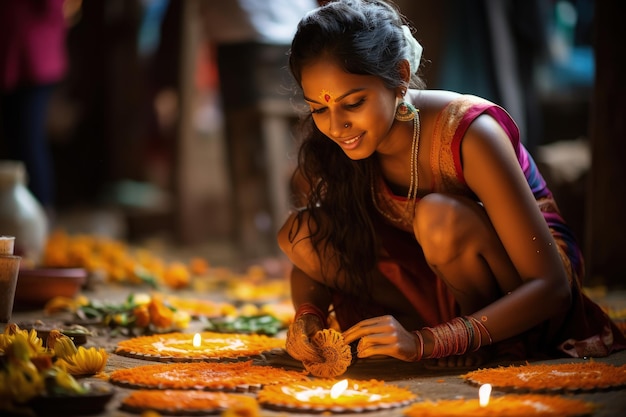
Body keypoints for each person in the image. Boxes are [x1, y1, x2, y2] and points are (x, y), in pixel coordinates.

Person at [279, 0, 625, 369]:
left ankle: (475, 341)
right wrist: (308, 317)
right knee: (299, 233)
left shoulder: (470, 133)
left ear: (399, 75)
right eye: (319, 109)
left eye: (355, 102)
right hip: (436, 275)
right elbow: (322, 250)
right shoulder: (346, 148)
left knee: (437, 217)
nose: (335, 126)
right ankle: (424, 334)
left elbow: (551, 287)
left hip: (527, 290)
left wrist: (431, 342)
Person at [0, 0, 68, 216]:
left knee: (28, 142)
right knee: (14, 143)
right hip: (10, 55)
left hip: (34, 58)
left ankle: (40, 218)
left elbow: (51, 6)